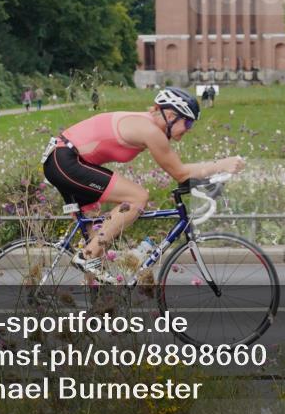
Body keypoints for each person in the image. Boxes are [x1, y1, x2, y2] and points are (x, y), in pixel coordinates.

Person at [42, 87, 245, 283]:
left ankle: (97, 306)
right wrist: (221, 165)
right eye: (189, 123)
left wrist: (209, 178)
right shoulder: (150, 130)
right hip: (65, 160)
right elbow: (180, 173)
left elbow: (182, 175)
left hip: (65, 161)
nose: (189, 130)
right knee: (137, 197)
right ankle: (87, 257)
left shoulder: (148, 125)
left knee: (98, 243)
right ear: (172, 115)